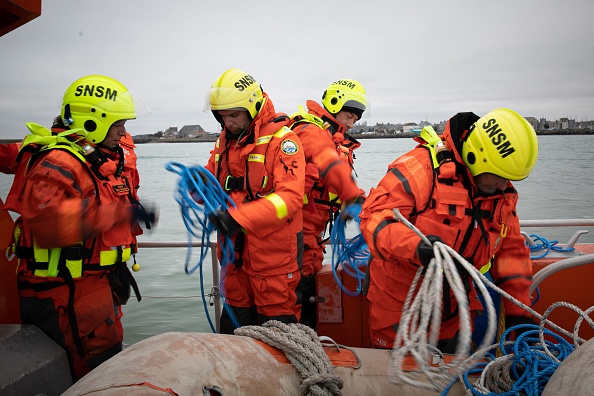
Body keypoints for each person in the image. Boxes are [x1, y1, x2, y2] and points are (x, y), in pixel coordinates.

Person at [4, 75, 157, 381]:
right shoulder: (59, 162)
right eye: (118, 125)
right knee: (92, 376)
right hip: (68, 294)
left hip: (95, 287)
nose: (124, 133)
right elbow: (50, 223)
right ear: (93, 123)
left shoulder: (94, 158)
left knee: (109, 368)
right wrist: (120, 213)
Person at [359, 108, 538, 352]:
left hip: (456, 309)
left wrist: (520, 313)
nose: (502, 185)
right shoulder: (419, 168)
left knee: (451, 381)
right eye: (498, 177)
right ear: (476, 157)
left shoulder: (500, 193)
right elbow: (374, 219)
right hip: (399, 306)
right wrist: (418, 248)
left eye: (508, 179)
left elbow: (510, 253)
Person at [204, 68, 306, 334]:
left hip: (273, 262)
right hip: (234, 259)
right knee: (232, 334)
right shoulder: (225, 143)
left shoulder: (284, 142)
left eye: (234, 115)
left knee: (281, 338)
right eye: (222, 116)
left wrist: (238, 219)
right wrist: (194, 184)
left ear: (253, 107)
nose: (228, 123)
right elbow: (210, 179)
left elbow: (290, 197)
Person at [289, 79, 367, 330]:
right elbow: (328, 163)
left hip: (313, 234)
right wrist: (353, 197)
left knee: (308, 287)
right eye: (348, 115)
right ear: (334, 105)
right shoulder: (310, 131)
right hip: (296, 230)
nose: (350, 123)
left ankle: (306, 342)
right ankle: (294, 345)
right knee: (295, 295)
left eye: (355, 119)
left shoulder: (334, 139)